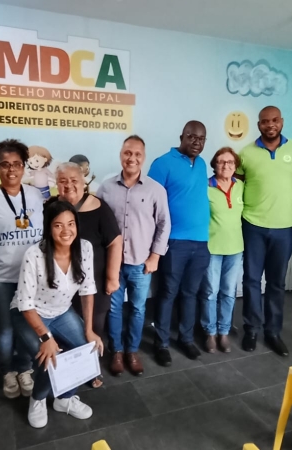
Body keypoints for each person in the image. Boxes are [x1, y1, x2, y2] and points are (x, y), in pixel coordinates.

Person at [11, 200, 105, 429]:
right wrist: (46, 337)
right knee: (49, 357)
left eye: (71, 224)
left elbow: (87, 290)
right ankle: (38, 399)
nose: (66, 231)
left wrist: (89, 330)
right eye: (58, 225)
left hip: (61, 312)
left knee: (86, 349)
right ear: (48, 228)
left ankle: (64, 399)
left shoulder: (85, 248)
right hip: (29, 314)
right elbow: (25, 303)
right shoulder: (35, 254)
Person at [236, 106, 292, 356]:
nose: (270, 125)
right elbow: (234, 186)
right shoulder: (246, 153)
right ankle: (251, 329)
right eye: (264, 121)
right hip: (252, 225)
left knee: (276, 283)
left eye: (274, 120)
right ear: (258, 124)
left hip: (284, 228)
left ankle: (273, 332)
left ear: (281, 121)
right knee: (251, 280)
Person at [99, 135, 170, 375]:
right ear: (121, 154)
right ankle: (117, 351)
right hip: (113, 264)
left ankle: (132, 350)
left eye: (137, 154)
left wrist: (155, 256)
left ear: (144, 157)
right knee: (114, 309)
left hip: (142, 263)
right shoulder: (106, 188)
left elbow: (164, 224)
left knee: (138, 309)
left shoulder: (155, 190)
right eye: (128, 153)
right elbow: (99, 224)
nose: (132, 158)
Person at [0, 139, 42, 399]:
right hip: (0, 277)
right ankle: (6, 370)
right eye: (5, 164)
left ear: (24, 166)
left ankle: (24, 368)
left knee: (27, 328)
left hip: (32, 278)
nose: (11, 169)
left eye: (17, 164)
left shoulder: (36, 195)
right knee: (4, 330)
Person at [147, 121, 211, 365]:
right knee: (167, 293)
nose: (196, 142)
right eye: (192, 137)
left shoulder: (202, 164)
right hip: (174, 242)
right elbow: (149, 201)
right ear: (181, 137)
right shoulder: (162, 163)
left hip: (201, 242)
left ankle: (186, 338)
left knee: (190, 293)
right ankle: (161, 343)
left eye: (201, 138)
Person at [53, 162, 122, 387]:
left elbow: (115, 242)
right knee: (65, 329)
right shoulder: (51, 207)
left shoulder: (100, 208)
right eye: (63, 181)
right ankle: (69, 372)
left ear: (84, 182)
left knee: (94, 327)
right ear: (56, 184)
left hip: (95, 282)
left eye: (74, 180)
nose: (69, 185)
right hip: (62, 284)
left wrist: (112, 277)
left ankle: (92, 369)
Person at [197, 147, 244, 353]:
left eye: (230, 162)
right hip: (212, 248)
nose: (226, 165)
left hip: (235, 248)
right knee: (210, 292)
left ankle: (224, 331)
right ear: (214, 165)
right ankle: (210, 332)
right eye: (221, 162)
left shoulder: (241, 186)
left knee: (229, 292)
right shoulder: (205, 187)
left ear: (236, 166)